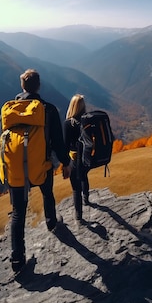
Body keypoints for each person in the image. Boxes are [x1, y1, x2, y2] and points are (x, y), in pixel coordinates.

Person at [0, 69, 71, 273]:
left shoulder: (9, 109)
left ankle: (17, 259)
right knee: (47, 194)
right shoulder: (48, 109)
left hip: (15, 170)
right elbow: (57, 141)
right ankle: (51, 222)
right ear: (38, 86)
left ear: (22, 86)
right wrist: (66, 162)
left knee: (18, 213)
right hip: (41, 167)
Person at [63, 94, 90, 224]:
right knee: (84, 176)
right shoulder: (88, 121)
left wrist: (65, 163)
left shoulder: (69, 123)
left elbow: (66, 144)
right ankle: (86, 198)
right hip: (87, 156)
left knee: (75, 187)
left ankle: (78, 216)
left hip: (74, 157)